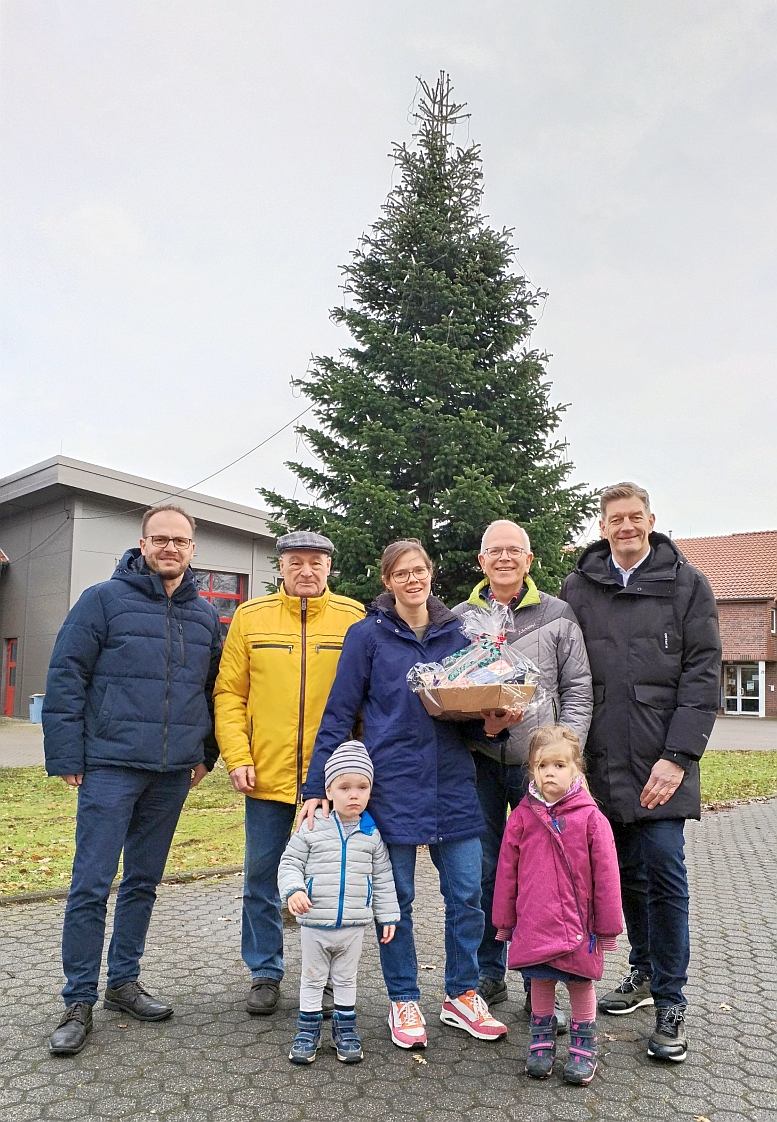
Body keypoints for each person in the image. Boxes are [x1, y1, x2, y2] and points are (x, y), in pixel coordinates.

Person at [300, 538, 508, 1050]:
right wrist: (314, 786)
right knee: (397, 901)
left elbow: (472, 717)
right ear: (387, 581)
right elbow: (338, 712)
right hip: (391, 786)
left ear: (430, 575)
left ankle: (461, 994)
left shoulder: (458, 633)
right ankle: (403, 998)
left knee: (467, 894)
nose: (413, 580)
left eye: (420, 570)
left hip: (455, 783)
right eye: (402, 573)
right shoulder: (366, 636)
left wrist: (496, 724)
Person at [42, 505, 222, 1056]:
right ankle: (78, 998)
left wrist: (206, 753)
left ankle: (123, 982)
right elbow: (66, 676)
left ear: (192, 550)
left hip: (171, 774)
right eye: (161, 539)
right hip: (110, 767)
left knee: (143, 883)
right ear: (142, 544)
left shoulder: (205, 616)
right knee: (91, 883)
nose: (171, 548)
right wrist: (67, 755)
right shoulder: (102, 600)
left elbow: (215, 690)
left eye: (181, 541)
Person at [561, 482, 721, 1063]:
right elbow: (564, 669)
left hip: (662, 767)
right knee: (623, 876)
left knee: (665, 876)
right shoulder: (580, 587)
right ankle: (643, 971)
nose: (625, 527)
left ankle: (672, 1001)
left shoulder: (688, 585)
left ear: (652, 520)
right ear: (602, 526)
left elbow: (703, 677)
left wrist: (678, 758)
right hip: (599, 764)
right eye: (615, 519)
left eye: (635, 517)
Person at [214, 530, 364, 1016]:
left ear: (328, 568)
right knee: (262, 875)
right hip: (266, 775)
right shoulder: (250, 618)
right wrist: (238, 755)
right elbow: (229, 694)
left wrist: (358, 767)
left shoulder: (352, 617)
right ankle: (264, 970)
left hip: (332, 781)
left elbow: (368, 695)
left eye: (316, 562)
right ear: (280, 567)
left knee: (329, 879)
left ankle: (323, 974)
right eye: (295, 561)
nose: (306, 570)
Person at [453, 519, 592, 1030]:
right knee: (485, 872)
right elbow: (451, 691)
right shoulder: (462, 618)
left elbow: (577, 687)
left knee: (548, 877)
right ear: (481, 561)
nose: (505, 558)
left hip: (543, 773)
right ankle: (488, 973)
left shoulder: (558, 613)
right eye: (495, 551)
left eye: (515, 551)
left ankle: (549, 975)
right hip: (481, 763)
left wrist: (565, 755)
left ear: (529, 560)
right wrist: (477, 721)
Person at [493, 726, 622, 1085]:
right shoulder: (521, 817)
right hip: (534, 920)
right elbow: (507, 873)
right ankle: (541, 1041)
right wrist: (505, 921)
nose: (550, 772)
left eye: (559, 765)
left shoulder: (591, 819)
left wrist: (608, 928)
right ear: (531, 770)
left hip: (579, 922)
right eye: (542, 765)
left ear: (576, 768)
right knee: (541, 980)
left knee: (580, 982)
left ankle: (583, 1045)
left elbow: (608, 877)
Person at [278, 739, 399, 1065]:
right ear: (329, 790)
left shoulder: (371, 833)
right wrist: (294, 891)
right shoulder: (312, 826)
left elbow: (383, 875)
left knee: (346, 980)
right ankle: (307, 1031)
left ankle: (345, 1030)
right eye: (345, 787)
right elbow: (289, 863)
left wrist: (388, 914)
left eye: (362, 787)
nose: (354, 794)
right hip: (315, 922)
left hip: (354, 926)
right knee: (313, 979)